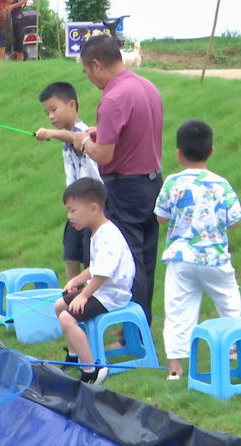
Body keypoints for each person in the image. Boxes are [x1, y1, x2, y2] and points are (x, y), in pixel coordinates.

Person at [72, 35, 163, 327]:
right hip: (152, 183)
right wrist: (102, 132)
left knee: (130, 262)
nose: (89, 78)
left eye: (87, 72)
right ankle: (141, 326)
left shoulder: (112, 97)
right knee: (145, 261)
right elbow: (135, 133)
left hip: (125, 187)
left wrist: (83, 142)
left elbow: (105, 156)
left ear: (96, 65)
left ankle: (132, 333)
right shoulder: (146, 86)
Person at [154, 120, 241, 380]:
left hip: (181, 257)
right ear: (212, 151)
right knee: (228, 300)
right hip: (214, 257)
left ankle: (175, 370)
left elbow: (160, 217)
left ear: (178, 153)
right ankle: (231, 350)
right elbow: (236, 220)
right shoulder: (221, 184)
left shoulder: (172, 182)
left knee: (177, 310)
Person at [55, 178, 135, 385]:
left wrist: (83, 295)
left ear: (93, 208)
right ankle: (74, 355)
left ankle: (93, 370)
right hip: (102, 289)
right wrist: (77, 280)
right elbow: (95, 268)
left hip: (113, 294)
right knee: (60, 305)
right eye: (68, 211)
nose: (69, 216)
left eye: (73, 211)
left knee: (67, 319)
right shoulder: (97, 232)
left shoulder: (107, 235)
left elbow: (103, 274)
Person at [35, 82, 101, 282]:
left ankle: (89, 297)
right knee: (71, 256)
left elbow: (76, 138)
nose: (51, 116)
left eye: (54, 109)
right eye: (47, 113)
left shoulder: (82, 130)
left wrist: (51, 133)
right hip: (75, 208)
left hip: (89, 206)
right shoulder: (69, 135)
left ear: (72, 105)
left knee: (91, 259)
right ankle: (72, 293)